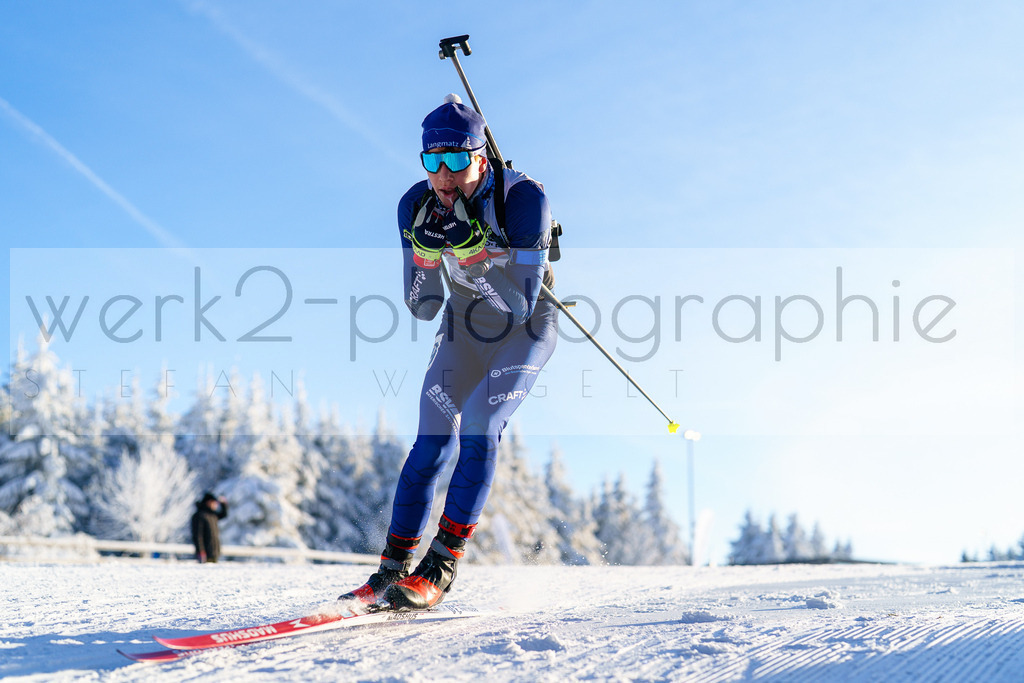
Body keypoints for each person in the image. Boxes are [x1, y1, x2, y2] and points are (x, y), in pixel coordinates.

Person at [340, 94, 558, 610]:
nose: (444, 175)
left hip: (524, 330)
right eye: (432, 161)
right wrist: (422, 255)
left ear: (480, 157)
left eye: (457, 160)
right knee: (429, 443)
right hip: (462, 327)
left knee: (480, 425)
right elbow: (421, 306)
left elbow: (521, 307)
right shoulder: (415, 205)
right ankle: (390, 571)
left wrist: (474, 255)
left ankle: (439, 567)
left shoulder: (523, 200)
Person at [191, 492, 228, 563]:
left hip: (214, 552)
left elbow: (224, 515)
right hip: (205, 554)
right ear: (209, 502)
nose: (216, 505)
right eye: (215, 503)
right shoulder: (199, 516)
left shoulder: (212, 515)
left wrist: (224, 504)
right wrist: (201, 551)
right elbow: (198, 535)